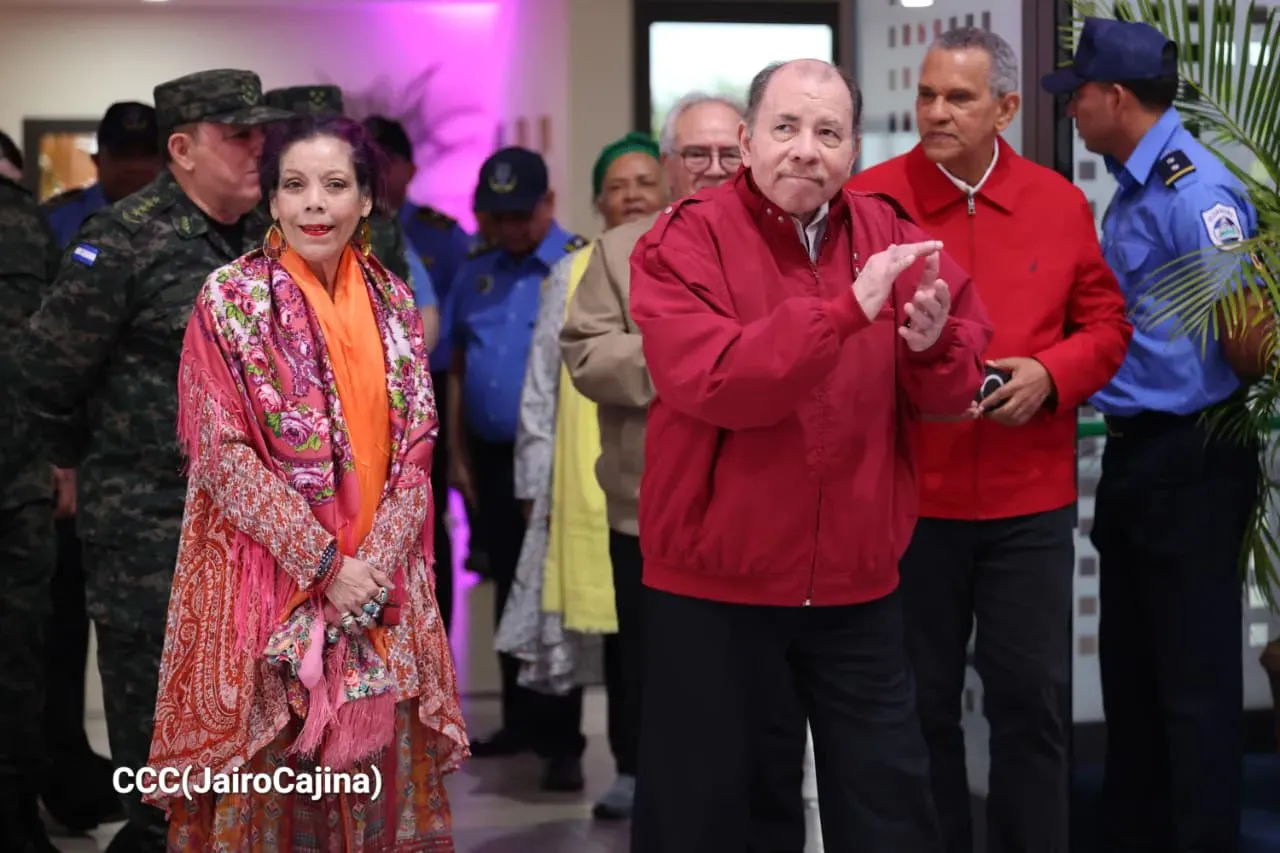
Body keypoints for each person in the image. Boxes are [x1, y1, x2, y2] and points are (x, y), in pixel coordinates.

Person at [627, 58, 993, 853]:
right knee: (712, 814)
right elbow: (717, 380)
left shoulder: (890, 234)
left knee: (891, 803)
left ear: (853, 150)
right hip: (716, 582)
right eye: (786, 127)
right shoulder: (685, 237)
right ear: (748, 138)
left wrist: (932, 345)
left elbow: (957, 380)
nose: (805, 149)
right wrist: (846, 311)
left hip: (858, 581)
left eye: (828, 133)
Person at [143, 111, 466, 851]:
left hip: (376, 589)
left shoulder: (393, 303)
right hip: (267, 587)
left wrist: (368, 572)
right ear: (272, 200)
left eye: (334, 185)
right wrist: (326, 567)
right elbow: (222, 453)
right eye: (295, 185)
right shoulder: (231, 298)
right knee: (272, 791)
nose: (314, 203)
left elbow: (418, 444)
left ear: (366, 198)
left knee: (372, 787)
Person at [847, 27, 1132, 853]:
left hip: (1028, 503)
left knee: (1032, 707)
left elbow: (1108, 326)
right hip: (912, 502)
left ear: (1005, 109)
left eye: (958, 98)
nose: (935, 112)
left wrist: (1050, 371)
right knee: (919, 707)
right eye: (927, 94)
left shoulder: (1057, 202)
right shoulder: (871, 202)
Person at [17, 68, 293, 853]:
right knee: (163, 774)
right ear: (182, 149)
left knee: (247, 759)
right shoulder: (122, 241)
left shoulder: (267, 238)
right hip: (151, 538)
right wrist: (87, 465)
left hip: (255, 539)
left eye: (260, 133)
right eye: (236, 135)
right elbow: (43, 372)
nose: (257, 148)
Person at [561, 94, 808, 843]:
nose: (713, 167)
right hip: (651, 519)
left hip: (771, 520)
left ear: (750, 154)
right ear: (668, 165)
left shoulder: (790, 244)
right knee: (668, 709)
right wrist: (695, 362)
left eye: (728, 153)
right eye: (695, 154)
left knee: (770, 708)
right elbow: (587, 354)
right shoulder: (619, 251)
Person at [1043, 19, 1263, 852]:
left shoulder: (1195, 194)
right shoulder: (1137, 185)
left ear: (1116, 97)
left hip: (1191, 455)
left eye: (1078, 96)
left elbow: (1247, 338)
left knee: (1193, 684)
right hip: (1142, 454)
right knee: (1132, 677)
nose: (1071, 110)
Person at [496, 130, 666, 810]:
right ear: (598, 202)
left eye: (644, 183)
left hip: (656, 475)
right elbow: (542, 384)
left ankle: (663, 764)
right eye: (618, 186)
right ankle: (614, 762)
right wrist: (532, 483)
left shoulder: (687, 258)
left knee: (654, 637)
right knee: (606, 631)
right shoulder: (569, 273)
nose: (633, 196)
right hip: (579, 479)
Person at [443, 146, 588, 789]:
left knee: (554, 592)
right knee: (506, 581)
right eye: (497, 217)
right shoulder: (476, 272)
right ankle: (519, 722)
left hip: (555, 456)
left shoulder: (577, 264)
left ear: (549, 204)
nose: (509, 228)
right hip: (490, 459)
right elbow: (457, 366)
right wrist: (457, 454)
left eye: (521, 215)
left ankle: (563, 740)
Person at [38, 98, 161, 837]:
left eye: (149, 158)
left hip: (141, 483)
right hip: (69, 468)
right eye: (125, 159)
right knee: (60, 636)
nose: (137, 171)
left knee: (142, 646)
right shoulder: (61, 225)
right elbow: (48, 356)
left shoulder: (189, 229)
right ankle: (66, 775)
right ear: (99, 160)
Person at [366, 114, 470, 632]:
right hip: (364, 407)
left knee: (425, 516)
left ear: (408, 168)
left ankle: (435, 637)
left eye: (385, 163)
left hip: (428, 396)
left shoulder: (438, 235)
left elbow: (456, 320)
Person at [0, 137, 63, 853]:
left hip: (20, 477)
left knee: (20, 656)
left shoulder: (25, 222)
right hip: (22, 474)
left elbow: (58, 349)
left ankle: (17, 813)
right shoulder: (27, 218)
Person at [43, 101, 163, 247]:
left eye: (147, 154)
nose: (135, 166)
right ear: (97, 160)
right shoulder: (53, 221)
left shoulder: (184, 215)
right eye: (122, 154)